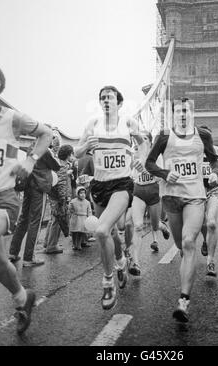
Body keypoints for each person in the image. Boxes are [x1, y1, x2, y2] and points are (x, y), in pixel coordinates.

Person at [0, 61, 53, 343]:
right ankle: (22, 297)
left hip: (2, 199)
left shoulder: (11, 119)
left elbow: (47, 134)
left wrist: (29, 160)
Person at [146, 98, 218, 322]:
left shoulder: (203, 136)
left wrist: (215, 171)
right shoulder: (164, 136)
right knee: (180, 245)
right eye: (178, 111)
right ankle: (185, 262)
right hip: (171, 197)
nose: (183, 114)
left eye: (186, 110)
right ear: (173, 114)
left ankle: (183, 301)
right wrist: (164, 173)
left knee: (189, 243)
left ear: (192, 113)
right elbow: (150, 163)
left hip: (195, 196)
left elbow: (214, 159)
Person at [75, 85, 146, 310]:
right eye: (103, 97)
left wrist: (141, 160)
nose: (107, 100)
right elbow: (76, 152)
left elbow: (144, 143)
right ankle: (121, 262)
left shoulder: (129, 123)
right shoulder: (92, 124)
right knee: (111, 233)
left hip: (122, 184)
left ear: (120, 102)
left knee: (101, 230)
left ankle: (108, 281)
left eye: (111, 97)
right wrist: (87, 145)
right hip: (99, 185)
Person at [9, 136, 60, 267]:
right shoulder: (45, 150)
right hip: (39, 186)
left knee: (23, 219)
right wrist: (53, 152)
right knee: (35, 222)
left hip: (28, 185)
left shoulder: (31, 146)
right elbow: (57, 166)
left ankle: (12, 252)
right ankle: (29, 257)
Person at [128, 131, 170, 277]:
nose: (142, 141)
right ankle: (135, 263)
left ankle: (162, 226)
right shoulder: (134, 155)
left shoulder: (156, 157)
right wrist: (133, 165)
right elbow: (130, 174)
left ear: (150, 142)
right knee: (138, 227)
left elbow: (162, 175)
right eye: (141, 139)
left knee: (154, 226)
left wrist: (150, 169)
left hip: (153, 192)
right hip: (138, 191)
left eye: (146, 138)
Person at [198, 126, 218, 277]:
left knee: (211, 223)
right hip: (197, 190)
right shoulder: (191, 150)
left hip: (213, 189)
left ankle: (210, 261)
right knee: (202, 224)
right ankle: (205, 241)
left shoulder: (216, 149)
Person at [44, 144, 74, 254]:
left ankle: (48, 242)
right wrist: (63, 199)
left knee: (53, 219)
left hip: (53, 196)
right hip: (59, 198)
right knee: (57, 221)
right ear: (68, 155)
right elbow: (61, 185)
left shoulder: (58, 165)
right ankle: (52, 246)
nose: (73, 156)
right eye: (72, 154)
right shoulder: (62, 167)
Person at [69, 186, 92, 250]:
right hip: (75, 218)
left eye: (84, 193)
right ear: (77, 194)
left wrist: (89, 217)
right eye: (81, 193)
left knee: (81, 232)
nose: (83, 195)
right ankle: (74, 244)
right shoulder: (73, 201)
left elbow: (89, 211)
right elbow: (70, 209)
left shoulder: (87, 202)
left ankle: (79, 244)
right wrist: (72, 213)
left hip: (83, 219)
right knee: (74, 232)